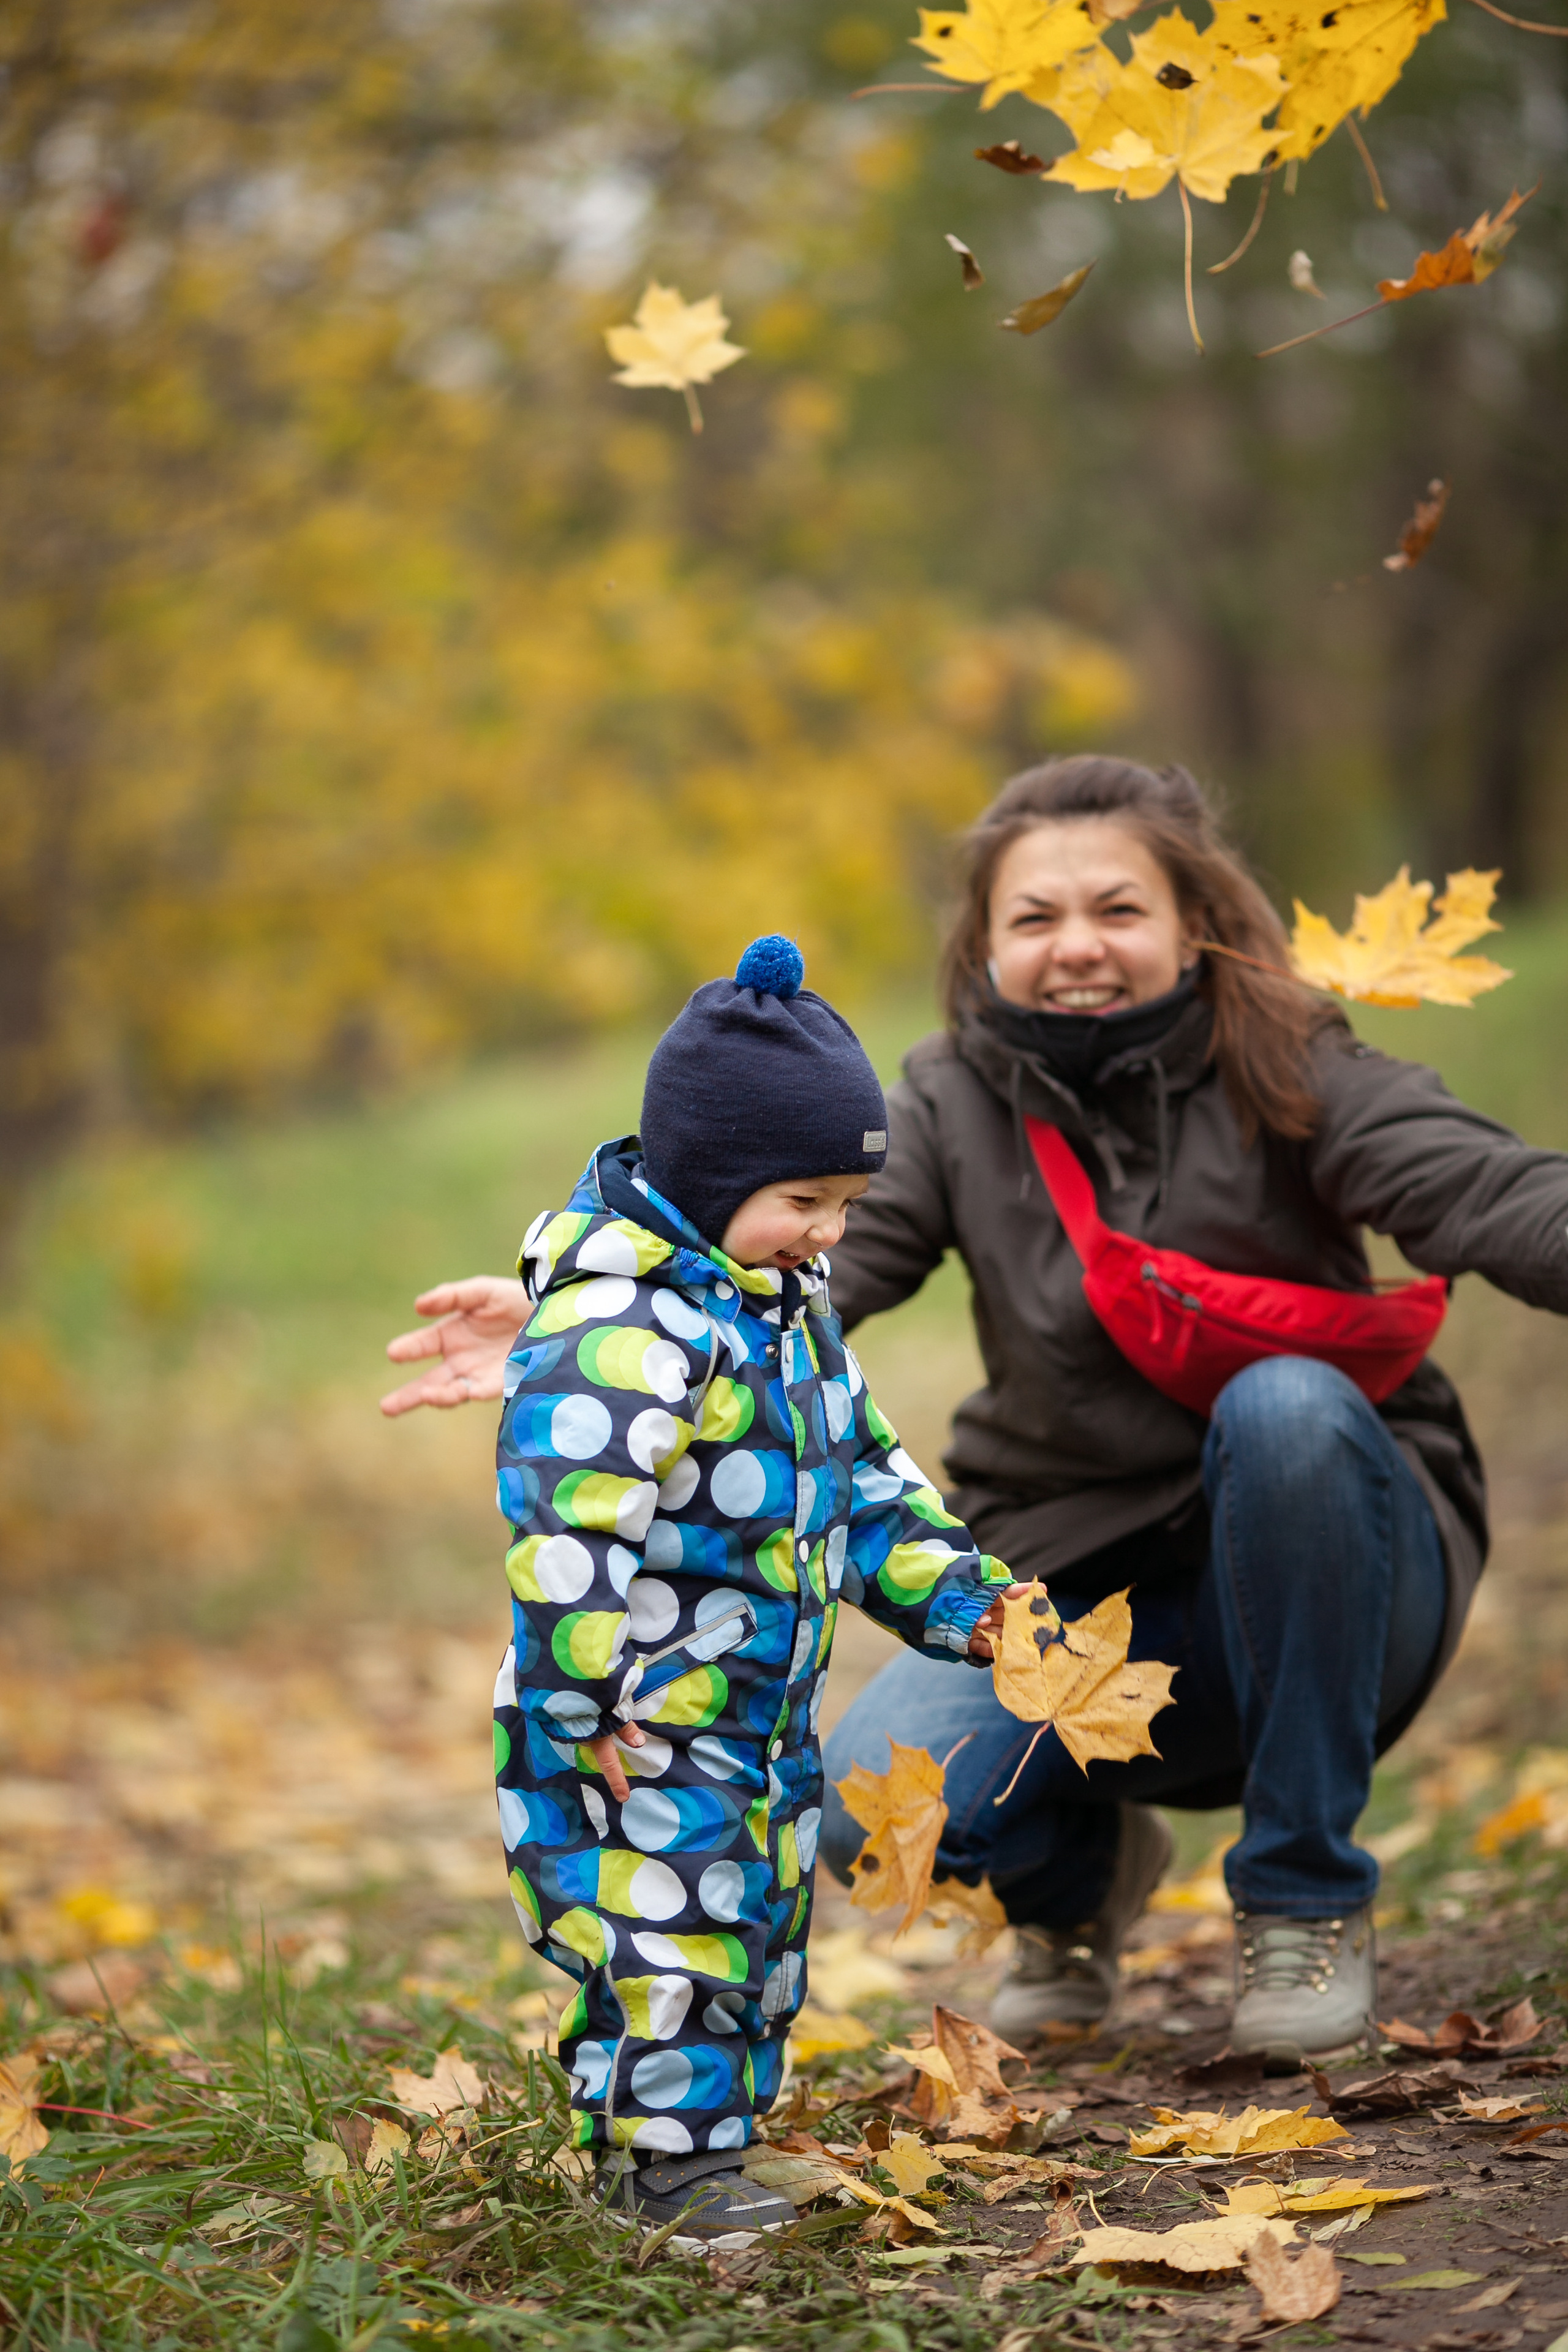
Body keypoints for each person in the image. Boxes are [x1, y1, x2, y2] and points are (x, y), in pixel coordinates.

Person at [382, 756, 1568, 2068]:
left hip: (1331, 1565)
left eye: (1116, 910)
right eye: (1034, 918)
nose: (1076, 948)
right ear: (985, 940)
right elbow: (797, 1267)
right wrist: (607, 1324)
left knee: (1285, 1407)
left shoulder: (1290, 1058)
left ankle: (1301, 1898)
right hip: (1069, 1590)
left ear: (1193, 923)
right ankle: (1075, 1884)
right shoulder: (946, 1100)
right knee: (851, 1803)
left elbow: (1486, 1192)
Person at [466, 932, 1017, 2245]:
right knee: (669, 1938)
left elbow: (864, 1488)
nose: (828, 1234)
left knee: (755, 1932)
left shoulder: (775, 1305)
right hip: (635, 1722)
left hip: (757, 1716)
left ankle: (715, 2146)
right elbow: (566, 1542)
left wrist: (964, 1598)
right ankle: (661, 2174)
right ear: (710, 1174)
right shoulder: (620, 1329)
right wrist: (575, 1706)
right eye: (804, 1200)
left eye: (845, 1204)